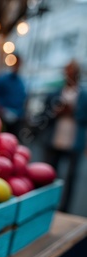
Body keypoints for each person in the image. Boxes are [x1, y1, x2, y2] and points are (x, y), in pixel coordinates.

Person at [42, 60, 87, 213]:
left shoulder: (84, 95)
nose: (68, 74)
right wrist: (56, 113)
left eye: (71, 71)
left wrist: (73, 111)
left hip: (74, 140)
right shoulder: (55, 93)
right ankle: (46, 204)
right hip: (54, 139)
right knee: (49, 174)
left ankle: (65, 208)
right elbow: (45, 114)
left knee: (71, 178)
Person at [0, 54, 27, 139]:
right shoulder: (2, 79)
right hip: (2, 118)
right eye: (15, 63)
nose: (17, 65)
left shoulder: (21, 82)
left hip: (16, 120)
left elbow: (23, 99)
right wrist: (2, 111)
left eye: (19, 63)